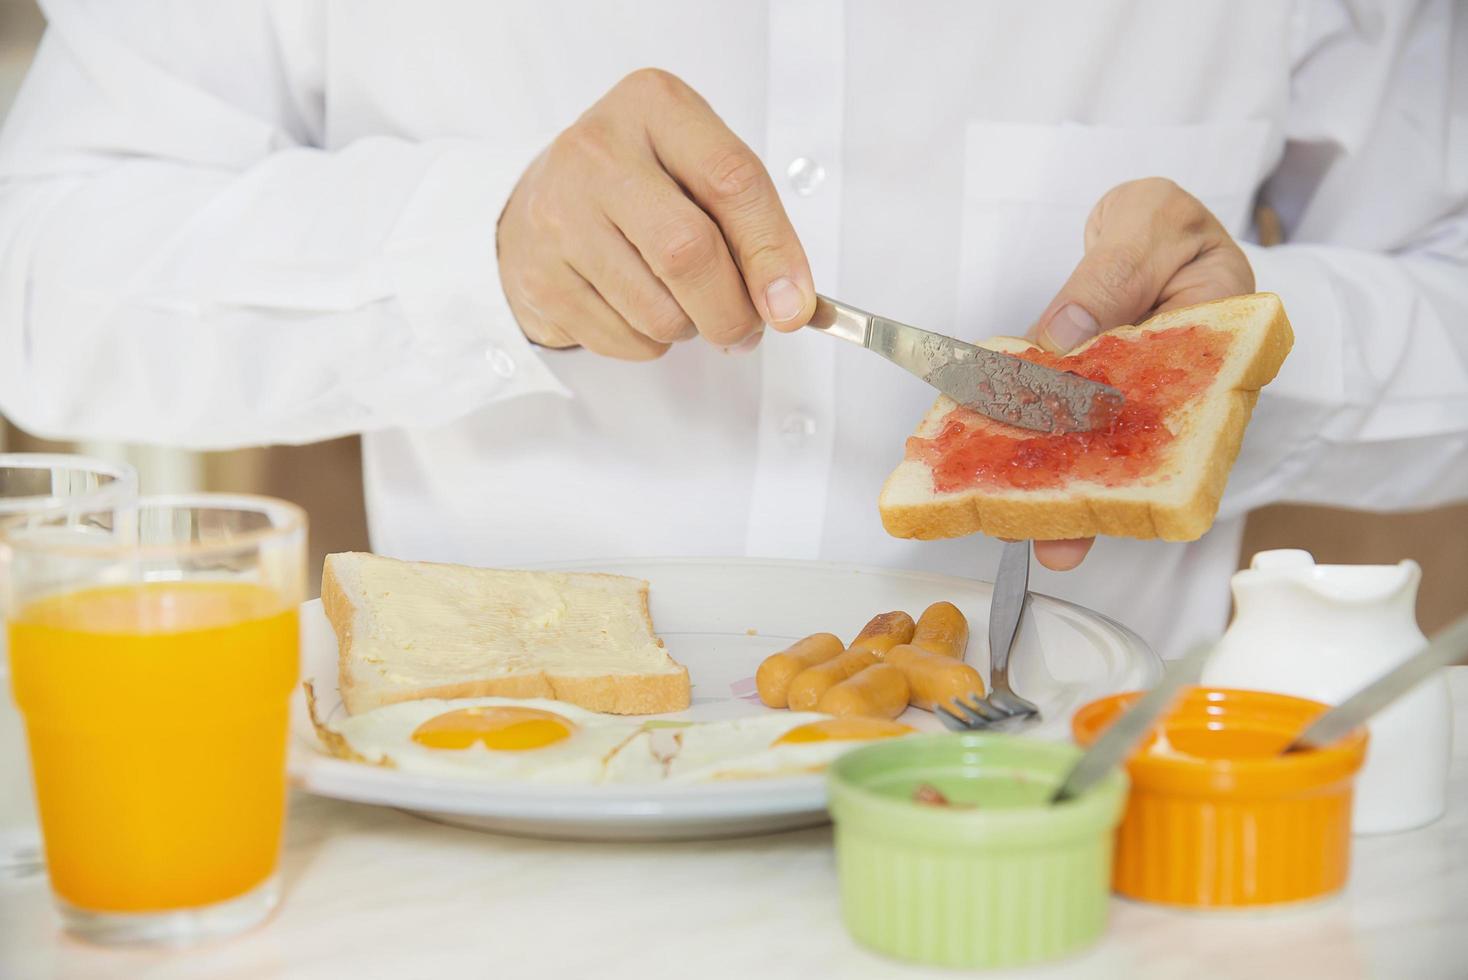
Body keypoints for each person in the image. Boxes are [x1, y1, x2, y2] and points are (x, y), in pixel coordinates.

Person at [0, 0, 1463, 658]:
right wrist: (474, 251)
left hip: (1079, 852)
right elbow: (41, 270)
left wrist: (1231, 374)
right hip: (482, 850)